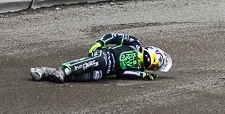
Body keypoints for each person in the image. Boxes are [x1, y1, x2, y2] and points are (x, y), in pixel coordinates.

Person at [30, 32, 172, 83]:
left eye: (152, 66)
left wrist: (142, 76)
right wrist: (100, 42)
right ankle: (62, 70)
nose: (148, 63)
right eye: (150, 60)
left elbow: (122, 74)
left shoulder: (138, 69)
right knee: (99, 61)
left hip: (105, 73)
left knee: (87, 77)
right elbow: (114, 36)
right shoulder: (135, 43)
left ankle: (44, 72)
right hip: (103, 55)